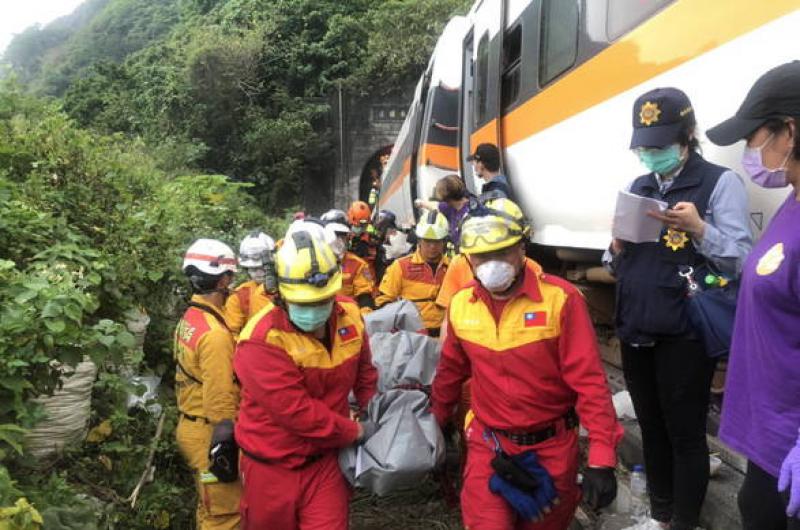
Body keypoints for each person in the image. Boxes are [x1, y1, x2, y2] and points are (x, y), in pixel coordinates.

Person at [607, 87, 752, 530]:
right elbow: (617, 261)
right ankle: (660, 515)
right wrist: (613, 249)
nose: (651, 156)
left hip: (685, 333)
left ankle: (683, 522)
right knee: (650, 426)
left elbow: (743, 259)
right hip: (637, 324)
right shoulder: (639, 187)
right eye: (644, 148)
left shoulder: (718, 183)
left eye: (659, 146)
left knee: (685, 434)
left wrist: (699, 228)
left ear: (687, 135)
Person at [431, 199, 622, 529]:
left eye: (502, 252)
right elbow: (450, 371)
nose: (491, 264)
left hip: (552, 451)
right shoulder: (462, 304)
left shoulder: (560, 300)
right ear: (467, 258)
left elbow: (589, 382)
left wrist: (602, 458)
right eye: (480, 256)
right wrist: (435, 422)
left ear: (522, 247)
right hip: (488, 446)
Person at [706, 61, 800, 530]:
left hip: (792, 438)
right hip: (774, 432)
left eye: (753, 137)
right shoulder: (793, 198)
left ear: (790, 131)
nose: (749, 150)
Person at [234, 229, 378, 529]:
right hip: (271, 466)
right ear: (279, 292)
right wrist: (355, 431)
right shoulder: (261, 340)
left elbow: (365, 373)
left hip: (325, 462)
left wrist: (374, 409)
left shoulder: (350, 316)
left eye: (321, 301)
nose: (313, 311)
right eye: (304, 303)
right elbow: (296, 412)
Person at [174, 239, 242, 530]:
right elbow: (220, 398)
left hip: (193, 426)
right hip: (211, 433)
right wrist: (226, 439)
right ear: (224, 279)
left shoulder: (192, 317)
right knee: (225, 515)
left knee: (209, 506)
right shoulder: (215, 335)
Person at [376, 210, 450, 336]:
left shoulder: (452, 267)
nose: (432, 246)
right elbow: (383, 301)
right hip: (412, 339)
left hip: (445, 338)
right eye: (427, 241)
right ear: (419, 240)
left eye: (436, 241)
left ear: (443, 242)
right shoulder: (400, 266)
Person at [321, 208, 376, 311]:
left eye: (342, 235)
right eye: (335, 234)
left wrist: (363, 321)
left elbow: (365, 297)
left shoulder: (358, 265)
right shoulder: (310, 261)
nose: (338, 240)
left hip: (347, 318)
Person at [224, 231, 275, 335]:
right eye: (253, 269)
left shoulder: (288, 287)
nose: (259, 273)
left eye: (262, 268)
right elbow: (233, 333)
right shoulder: (239, 296)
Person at [414, 174, 472, 252]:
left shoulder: (471, 211)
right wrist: (420, 203)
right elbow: (434, 205)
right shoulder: (450, 207)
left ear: (445, 196)